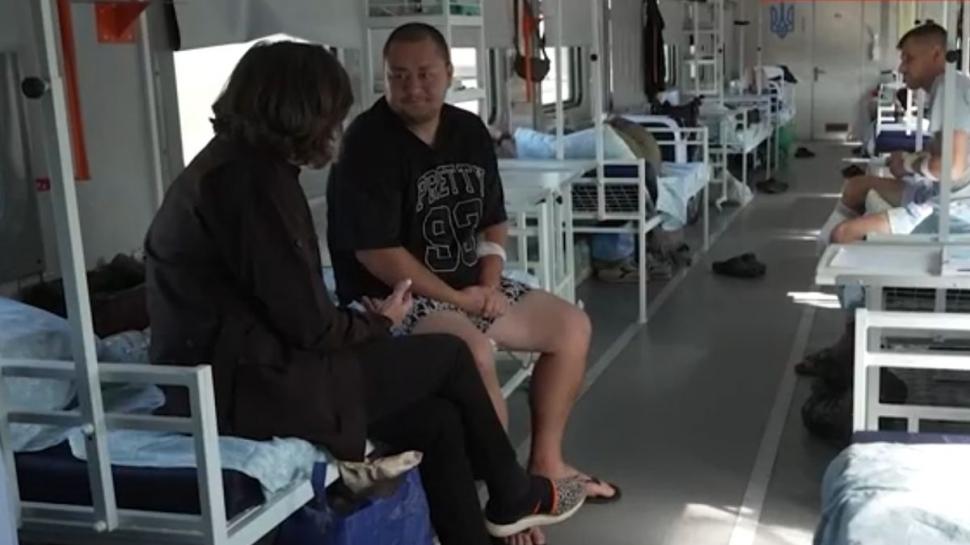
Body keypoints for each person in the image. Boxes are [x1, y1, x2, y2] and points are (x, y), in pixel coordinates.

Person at [143, 40, 584, 545]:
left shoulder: (236, 169)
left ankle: (489, 520)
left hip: (247, 370)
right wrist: (378, 323)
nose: (333, 128)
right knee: (450, 356)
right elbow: (309, 325)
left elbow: (284, 302)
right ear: (302, 111)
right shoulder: (249, 187)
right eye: (330, 114)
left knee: (438, 419)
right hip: (248, 387)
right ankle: (513, 495)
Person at [326, 24, 619, 545]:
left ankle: (545, 465)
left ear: (448, 73)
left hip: (468, 285)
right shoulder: (366, 144)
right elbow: (377, 252)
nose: (413, 87)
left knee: (571, 327)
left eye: (425, 74)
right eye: (398, 76)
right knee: (473, 352)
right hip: (398, 297)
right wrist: (460, 299)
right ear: (384, 79)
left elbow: (492, 220)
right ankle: (502, 503)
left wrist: (488, 282)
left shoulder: (467, 131)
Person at [819, 22, 970, 245]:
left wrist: (908, 163)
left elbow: (950, 168)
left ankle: (829, 256)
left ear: (936, 54)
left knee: (844, 234)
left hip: (955, 212)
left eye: (909, 59)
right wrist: (910, 160)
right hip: (937, 193)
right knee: (856, 187)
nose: (901, 68)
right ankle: (824, 254)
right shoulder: (947, 88)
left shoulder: (950, 88)